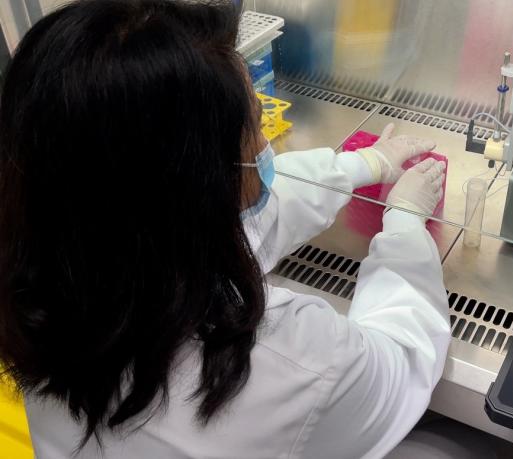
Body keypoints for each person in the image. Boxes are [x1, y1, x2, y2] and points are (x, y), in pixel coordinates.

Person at [0, 1, 450, 458]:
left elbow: (242, 224)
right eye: (254, 124)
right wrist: (405, 224)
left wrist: (357, 165)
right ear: (199, 181)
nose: (264, 143)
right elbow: (401, 360)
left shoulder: (44, 289)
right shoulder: (287, 360)